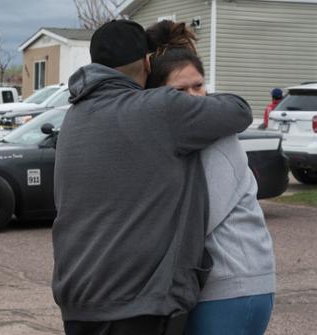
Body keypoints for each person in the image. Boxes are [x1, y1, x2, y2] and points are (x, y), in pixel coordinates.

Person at [52, 20, 252, 335]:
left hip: (78, 301)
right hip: (137, 305)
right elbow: (239, 110)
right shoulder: (159, 110)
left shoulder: (73, 118)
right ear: (147, 62)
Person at [145, 20, 275, 335]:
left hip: (233, 286)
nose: (194, 97)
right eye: (180, 90)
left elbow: (197, 220)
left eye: (198, 85)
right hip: (214, 289)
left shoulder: (215, 136)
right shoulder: (181, 136)